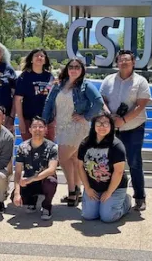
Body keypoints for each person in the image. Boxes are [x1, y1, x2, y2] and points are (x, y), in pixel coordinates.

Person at [42, 58, 104, 207]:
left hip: (77, 127)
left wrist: (86, 116)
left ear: (82, 70)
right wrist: (44, 121)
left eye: (77, 67)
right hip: (61, 126)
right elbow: (49, 103)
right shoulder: (58, 85)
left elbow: (98, 102)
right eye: (71, 67)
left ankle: (71, 191)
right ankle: (78, 191)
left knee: (62, 158)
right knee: (74, 160)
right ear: (67, 69)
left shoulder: (86, 86)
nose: (74, 69)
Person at [100, 50, 151, 211]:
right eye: (121, 60)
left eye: (127, 60)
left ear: (133, 62)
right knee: (108, 162)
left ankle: (140, 197)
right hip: (111, 128)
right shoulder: (108, 80)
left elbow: (141, 104)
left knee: (134, 162)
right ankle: (111, 194)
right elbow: (102, 100)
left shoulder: (140, 81)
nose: (124, 63)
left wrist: (123, 120)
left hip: (133, 128)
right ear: (117, 62)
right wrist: (109, 116)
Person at [77, 112, 132, 223]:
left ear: (111, 126)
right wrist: (87, 188)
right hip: (94, 186)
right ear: (93, 126)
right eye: (99, 123)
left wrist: (109, 192)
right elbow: (80, 166)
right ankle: (101, 204)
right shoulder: (85, 143)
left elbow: (119, 171)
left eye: (106, 124)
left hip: (114, 187)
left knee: (108, 217)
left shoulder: (116, 145)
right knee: (88, 215)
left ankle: (126, 201)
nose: (102, 126)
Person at [11, 116, 58, 220]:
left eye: (41, 127)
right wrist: (17, 193)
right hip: (29, 181)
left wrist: (31, 179)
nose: (37, 129)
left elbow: (51, 169)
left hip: (43, 180)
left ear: (46, 129)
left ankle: (46, 205)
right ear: (30, 130)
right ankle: (32, 200)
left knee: (51, 182)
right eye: (34, 127)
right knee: (14, 197)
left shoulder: (52, 147)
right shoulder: (22, 147)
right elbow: (18, 172)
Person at [14, 49, 55, 141]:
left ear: (45, 60)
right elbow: (18, 100)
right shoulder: (24, 77)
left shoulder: (50, 77)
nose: (39, 57)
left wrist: (54, 119)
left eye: (42, 56)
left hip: (48, 120)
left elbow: (54, 99)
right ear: (31, 60)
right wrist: (21, 121)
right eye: (36, 56)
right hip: (29, 120)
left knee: (48, 150)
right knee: (29, 150)